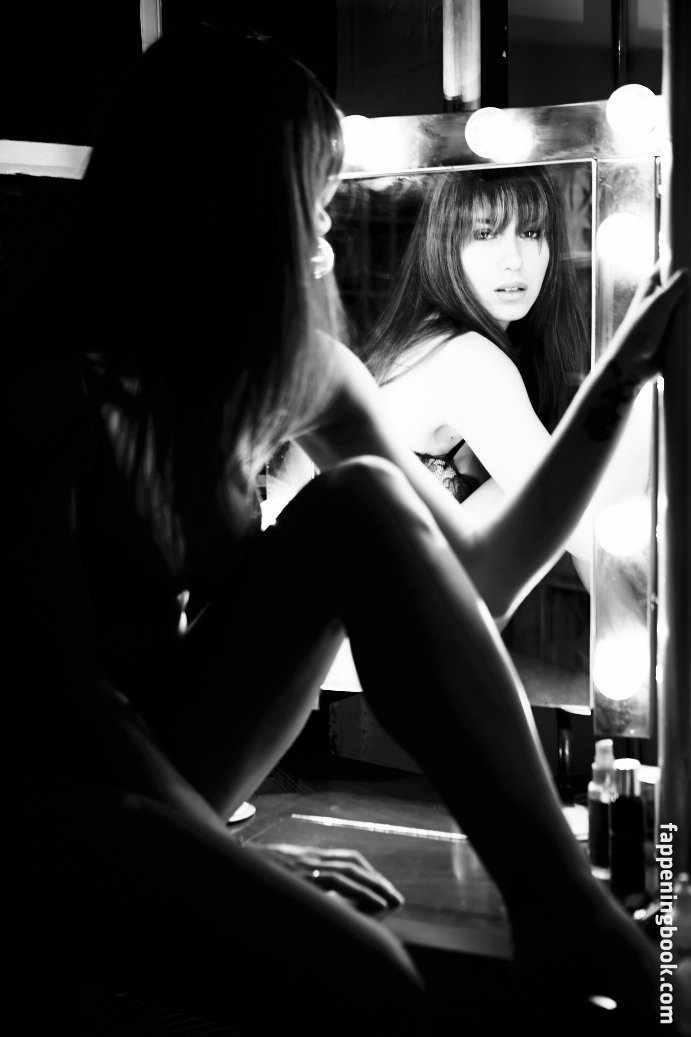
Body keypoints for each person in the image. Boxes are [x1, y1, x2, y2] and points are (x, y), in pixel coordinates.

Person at [2, 23, 688, 1037]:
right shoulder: (54, 395)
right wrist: (228, 858)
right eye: (314, 205)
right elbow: (72, 712)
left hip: (177, 769)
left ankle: (563, 909)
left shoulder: (306, 372)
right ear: (240, 211)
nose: (326, 239)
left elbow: (475, 581)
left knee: (363, 498)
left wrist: (620, 378)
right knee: (375, 980)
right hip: (62, 801)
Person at [361, 167, 635, 567]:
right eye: (484, 234)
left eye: (531, 232)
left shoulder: (441, 340)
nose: (514, 260)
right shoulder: (462, 358)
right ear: (444, 246)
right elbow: (589, 533)